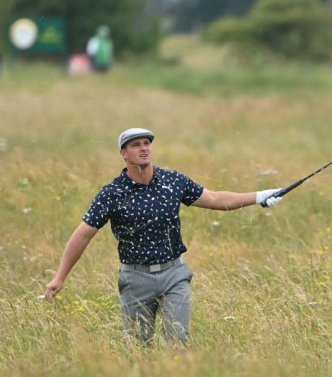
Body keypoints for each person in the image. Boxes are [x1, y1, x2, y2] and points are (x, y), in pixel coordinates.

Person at [44, 128, 283, 346]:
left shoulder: (173, 181)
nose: (144, 148)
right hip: (135, 277)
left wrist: (260, 195)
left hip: (174, 274)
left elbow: (215, 199)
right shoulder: (112, 193)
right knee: (138, 347)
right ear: (123, 153)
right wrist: (59, 277)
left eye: (147, 143)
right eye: (136, 144)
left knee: (177, 341)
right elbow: (83, 234)